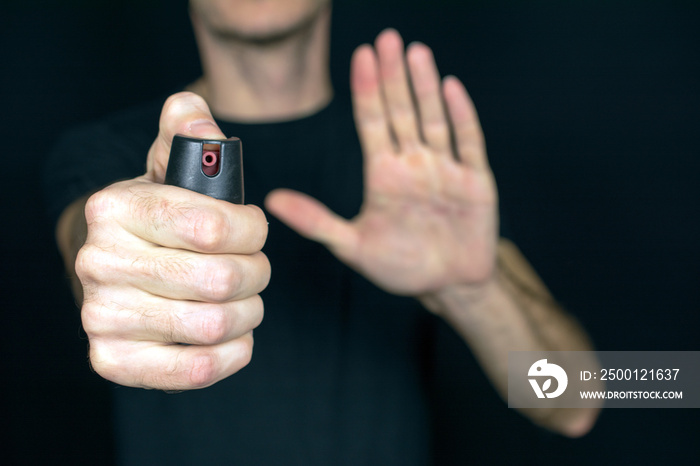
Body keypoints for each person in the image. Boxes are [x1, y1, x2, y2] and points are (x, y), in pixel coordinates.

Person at [45, 0, 599, 463]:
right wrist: (123, 266)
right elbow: (92, 249)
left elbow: (577, 402)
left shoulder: (416, 162)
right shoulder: (106, 155)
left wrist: (472, 291)